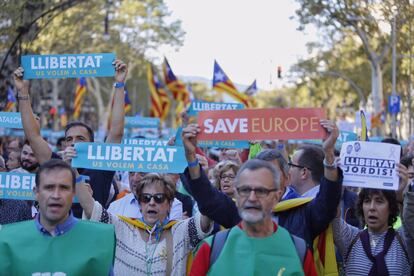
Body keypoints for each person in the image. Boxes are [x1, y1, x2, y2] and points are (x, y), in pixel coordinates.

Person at [13, 60, 128, 216]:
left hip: (91, 234)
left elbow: (116, 132)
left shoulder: (101, 167)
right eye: (69, 139)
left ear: (92, 144)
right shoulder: (55, 164)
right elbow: (33, 136)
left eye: (80, 138)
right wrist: (23, 92)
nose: (73, 143)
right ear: (64, 145)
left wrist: (119, 85)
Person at [189, 159, 316, 275]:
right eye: (245, 190)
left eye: (261, 191)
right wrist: (190, 160)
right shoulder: (210, 249)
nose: (252, 198)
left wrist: (330, 162)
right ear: (236, 196)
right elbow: (206, 197)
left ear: (276, 197)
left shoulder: (298, 250)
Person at [76, 172, 213, 275]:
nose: (151, 202)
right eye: (145, 198)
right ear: (140, 205)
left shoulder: (182, 231)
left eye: (159, 198)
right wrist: (72, 168)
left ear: (170, 204)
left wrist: (196, 169)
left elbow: (208, 210)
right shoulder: (121, 227)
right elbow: (90, 207)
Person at [0, 159, 115, 274]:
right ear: (36, 193)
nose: (56, 195)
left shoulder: (98, 240)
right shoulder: (7, 239)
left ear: (74, 193)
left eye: (64, 188)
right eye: (49, 187)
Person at [333, 188, 413, 275]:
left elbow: (410, 218)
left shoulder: (404, 240)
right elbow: (331, 212)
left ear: (391, 207)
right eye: (367, 201)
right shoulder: (350, 238)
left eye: (379, 201)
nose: (372, 207)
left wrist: (403, 195)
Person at [108, 171, 184, 220]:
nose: (135, 179)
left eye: (142, 174)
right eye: (131, 173)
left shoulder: (174, 205)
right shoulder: (115, 206)